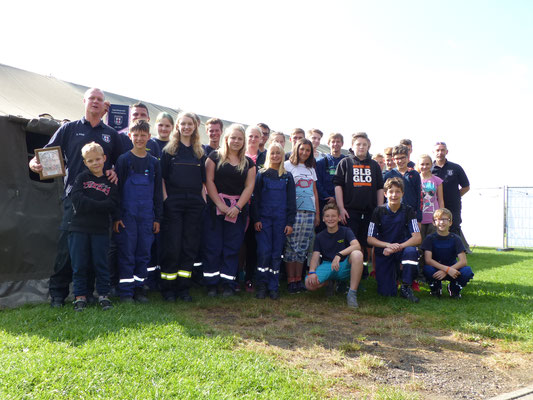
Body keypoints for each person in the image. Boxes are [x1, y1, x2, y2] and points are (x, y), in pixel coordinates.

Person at [28, 87, 123, 307]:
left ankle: (86, 293)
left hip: (101, 201)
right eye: (92, 98)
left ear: (104, 105)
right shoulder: (68, 129)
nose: (96, 102)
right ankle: (58, 294)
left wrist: (115, 169)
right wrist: (34, 164)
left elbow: (122, 160)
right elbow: (45, 154)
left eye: (100, 99)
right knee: (66, 249)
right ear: (84, 101)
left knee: (95, 249)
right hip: (74, 199)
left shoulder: (111, 134)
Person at [203, 124, 256, 297]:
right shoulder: (214, 157)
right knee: (213, 246)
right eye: (233, 137)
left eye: (240, 139)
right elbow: (208, 181)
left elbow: (249, 187)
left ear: (244, 142)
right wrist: (220, 204)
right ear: (226, 138)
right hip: (215, 209)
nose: (236, 141)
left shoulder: (248, 163)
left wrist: (237, 207)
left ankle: (228, 284)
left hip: (237, 211)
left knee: (232, 248)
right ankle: (211, 284)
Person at [159, 112, 206, 302]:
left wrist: (202, 201)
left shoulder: (200, 152)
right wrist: (166, 200)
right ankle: (168, 289)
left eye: (190, 124)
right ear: (177, 126)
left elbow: (204, 181)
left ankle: (183, 289)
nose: (186, 127)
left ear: (195, 126)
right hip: (174, 204)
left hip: (194, 204)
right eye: (183, 124)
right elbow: (161, 178)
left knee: (189, 246)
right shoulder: (168, 151)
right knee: (173, 246)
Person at [113, 120, 163, 303]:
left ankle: (139, 288)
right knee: (127, 251)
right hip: (128, 215)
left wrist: (158, 217)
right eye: (136, 135)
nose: (140, 138)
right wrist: (117, 216)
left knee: (143, 252)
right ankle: (125, 291)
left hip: (147, 216)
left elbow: (158, 192)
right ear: (130, 136)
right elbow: (117, 191)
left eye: (143, 135)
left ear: (149, 137)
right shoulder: (124, 160)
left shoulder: (154, 163)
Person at [68, 142, 119, 311]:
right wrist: (100, 205)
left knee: (101, 263)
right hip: (79, 228)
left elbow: (113, 204)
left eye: (98, 159)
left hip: (100, 230)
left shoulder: (111, 181)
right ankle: (80, 296)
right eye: (90, 161)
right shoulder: (82, 178)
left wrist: (92, 205)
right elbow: (77, 199)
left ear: (104, 159)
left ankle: (103, 295)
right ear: (85, 163)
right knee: (80, 265)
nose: (95, 163)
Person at [333, 132, 384, 277]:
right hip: (350, 211)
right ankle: (345, 272)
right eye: (358, 144)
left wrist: (379, 208)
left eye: (364, 145)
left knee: (366, 242)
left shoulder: (374, 165)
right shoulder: (345, 163)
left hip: (370, 211)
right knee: (350, 242)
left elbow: (380, 187)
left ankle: (362, 271)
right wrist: (341, 208)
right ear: (352, 146)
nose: (361, 147)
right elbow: (338, 186)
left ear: (369, 146)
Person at [252, 142, 296, 299]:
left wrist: (290, 223)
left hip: (281, 222)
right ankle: (261, 286)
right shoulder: (261, 175)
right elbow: (255, 199)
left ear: (282, 155)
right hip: (264, 221)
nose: (275, 156)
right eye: (272, 153)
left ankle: (273, 286)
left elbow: (292, 202)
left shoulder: (287, 177)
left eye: (278, 153)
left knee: (276, 254)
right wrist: (256, 219)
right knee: (264, 252)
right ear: (268, 155)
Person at [367, 178, 422, 302]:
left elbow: (417, 238)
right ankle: (394, 275)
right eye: (391, 191)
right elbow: (370, 239)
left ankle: (406, 286)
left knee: (411, 252)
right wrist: (388, 245)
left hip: (402, 249)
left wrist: (398, 247)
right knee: (386, 293)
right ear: (385, 194)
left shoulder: (408, 211)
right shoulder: (378, 211)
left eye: (398, 191)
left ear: (402, 193)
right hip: (384, 251)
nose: (394, 195)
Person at [305, 203, 364, 308]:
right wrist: (312, 272)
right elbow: (315, 256)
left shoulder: (346, 231)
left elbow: (357, 245)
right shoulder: (319, 236)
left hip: (344, 265)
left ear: (339, 218)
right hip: (328, 265)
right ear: (323, 219)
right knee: (309, 284)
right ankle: (329, 283)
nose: (330, 219)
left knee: (357, 254)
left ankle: (352, 293)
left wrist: (339, 255)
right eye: (327, 216)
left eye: (333, 216)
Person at [284, 138, 320, 294]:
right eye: (302, 149)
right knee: (291, 247)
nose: (304, 152)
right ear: (296, 149)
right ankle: (290, 280)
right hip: (294, 212)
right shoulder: (287, 166)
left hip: (309, 211)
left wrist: (317, 213)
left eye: (308, 150)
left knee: (303, 248)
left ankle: (299, 280)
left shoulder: (311, 168)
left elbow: (315, 192)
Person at [421, 208, 474, 298]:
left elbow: (463, 261)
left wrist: (449, 270)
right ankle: (436, 288)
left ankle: (454, 289)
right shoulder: (430, 238)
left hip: (453, 269)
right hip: (436, 269)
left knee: (467, 271)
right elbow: (428, 260)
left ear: (450, 222)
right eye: (438, 219)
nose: (442, 222)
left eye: (445, 219)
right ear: (434, 223)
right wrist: (446, 269)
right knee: (427, 269)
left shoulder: (456, 238)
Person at [431, 142, 470, 238]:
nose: (440, 153)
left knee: (453, 227)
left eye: (442, 150)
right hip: (433, 205)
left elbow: (466, 187)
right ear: (433, 152)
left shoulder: (456, 168)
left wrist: (456, 195)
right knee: (434, 228)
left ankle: (457, 251)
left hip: (453, 206)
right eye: (437, 150)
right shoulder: (428, 169)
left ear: (446, 152)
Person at [316, 133, 346, 232]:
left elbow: (348, 183)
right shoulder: (320, 163)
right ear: (328, 143)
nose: (335, 144)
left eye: (338, 141)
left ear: (342, 144)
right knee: (323, 230)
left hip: (342, 203)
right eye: (333, 141)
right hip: (325, 201)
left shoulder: (347, 162)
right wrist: (328, 197)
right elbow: (317, 182)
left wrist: (337, 198)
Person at [384, 145, 422, 223]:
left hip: (411, 214)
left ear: (408, 158)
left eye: (403, 158)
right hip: (392, 214)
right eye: (397, 158)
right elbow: (384, 196)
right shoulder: (388, 175)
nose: (400, 161)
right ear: (393, 159)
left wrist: (419, 218)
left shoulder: (414, 174)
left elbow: (419, 196)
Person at [418, 154, 444, 240]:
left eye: (427, 164)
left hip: (433, 217)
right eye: (422, 164)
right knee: (419, 244)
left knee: (432, 243)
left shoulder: (437, 180)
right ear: (418, 165)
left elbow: (440, 200)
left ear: (431, 165)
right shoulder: (415, 179)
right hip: (419, 218)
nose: (424, 166)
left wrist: (442, 216)